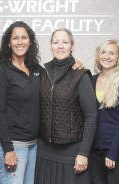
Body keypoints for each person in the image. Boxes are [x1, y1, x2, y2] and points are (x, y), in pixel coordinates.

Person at [0, 22, 84, 184]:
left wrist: (74, 64)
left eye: (24, 37)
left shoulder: (38, 70)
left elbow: (55, 83)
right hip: (12, 145)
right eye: (15, 38)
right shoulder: (2, 71)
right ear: (8, 43)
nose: (20, 42)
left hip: (33, 145)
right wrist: (8, 149)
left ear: (30, 41)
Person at [34, 28, 97, 184]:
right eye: (56, 42)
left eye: (65, 42)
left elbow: (91, 116)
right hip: (44, 152)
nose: (60, 46)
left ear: (72, 46)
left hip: (73, 153)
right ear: (51, 46)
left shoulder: (80, 75)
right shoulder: (42, 73)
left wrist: (84, 153)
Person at [89, 39, 119, 184]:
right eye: (103, 52)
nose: (107, 56)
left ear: (118, 56)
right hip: (94, 149)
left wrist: (113, 151)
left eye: (112, 53)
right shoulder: (92, 80)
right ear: (98, 55)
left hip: (115, 150)